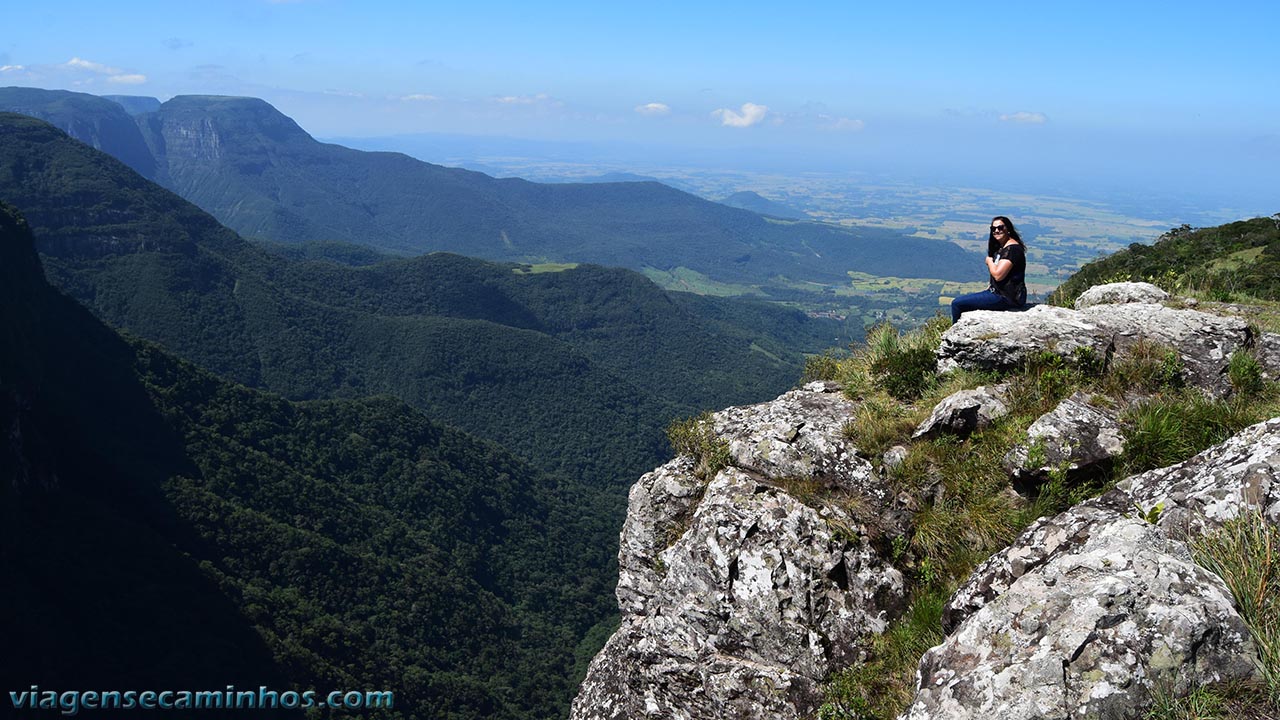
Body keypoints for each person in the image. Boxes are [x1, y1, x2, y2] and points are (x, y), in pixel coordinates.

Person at [950, 215, 1027, 324]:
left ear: (1008, 229)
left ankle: (954, 335)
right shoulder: (1004, 248)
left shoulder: (1012, 250)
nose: (996, 231)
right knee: (967, 302)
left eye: (1000, 227)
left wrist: (989, 261)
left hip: (1006, 297)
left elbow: (998, 275)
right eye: (993, 229)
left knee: (957, 303)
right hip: (1004, 294)